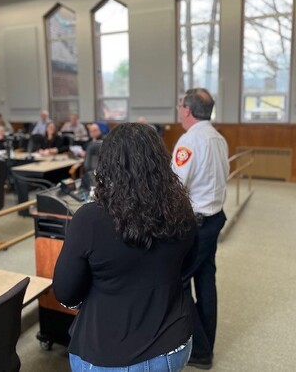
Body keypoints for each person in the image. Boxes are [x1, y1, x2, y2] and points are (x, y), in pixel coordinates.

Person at [53, 122, 198, 372]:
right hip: (174, 345)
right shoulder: (182, 209)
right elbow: (186, 267)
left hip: (108, 354)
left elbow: (66, 293)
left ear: (107, 165)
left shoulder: (90, 219)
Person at [172, 88, 229, 370]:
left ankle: (201, 350)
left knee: (178, 282)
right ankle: (207, 344)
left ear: (188, 110)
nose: (180, 110)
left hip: (196, 224)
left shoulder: (189, 140)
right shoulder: (218, 138)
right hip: (214, 217)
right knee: (206, 280)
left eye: (181, 105)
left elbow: (176, 187)